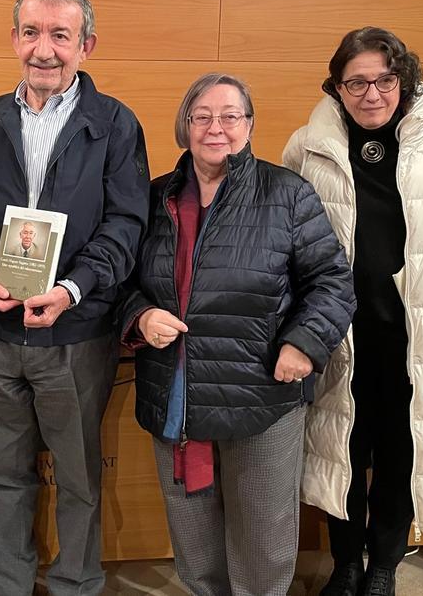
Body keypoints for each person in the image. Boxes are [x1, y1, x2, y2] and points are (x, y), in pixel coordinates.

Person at [283, 27, 423, 596]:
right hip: (338, 335)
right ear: (336, 87)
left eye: (385, 79)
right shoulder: (305, 147)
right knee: (340, 450)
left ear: (404, 81)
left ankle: (385, 563)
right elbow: (282, 235)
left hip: (420, 338)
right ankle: (343, 564)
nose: (372, 93)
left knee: (399, 453)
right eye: (356, 82)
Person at [0, 0, 149, 595]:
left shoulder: (115, 124)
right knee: (1, 474)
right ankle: (10, 586)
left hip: (77, 334)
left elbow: (125, 225)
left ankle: (75, 586)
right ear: (13, 38)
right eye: (32, 32)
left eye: (61, 35)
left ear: (87, 45)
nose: (45, 48)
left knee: (80, 478)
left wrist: (73, 290)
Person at [120, 73, 355, 596]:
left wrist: (304, 344)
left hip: (262, 394)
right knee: (193, 534)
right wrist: (138, 316)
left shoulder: (287, 194)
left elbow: (332, 282)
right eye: (202, 116)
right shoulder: (154, 198)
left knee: (262, 535)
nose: (216, 128)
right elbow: (121, 282)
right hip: (176, 393)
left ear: (249, 125)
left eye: (230, 116)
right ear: (185, 126)